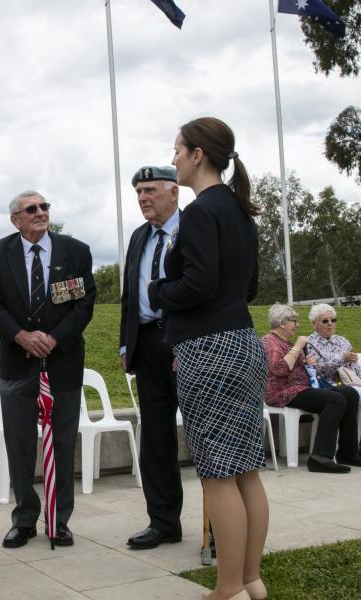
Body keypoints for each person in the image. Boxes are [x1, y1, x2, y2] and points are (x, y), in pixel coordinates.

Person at [149, 117, 268, 600]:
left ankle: (227, 588)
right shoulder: (240, 211)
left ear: (198, 155)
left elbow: (197, 284)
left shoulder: (200, 212)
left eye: (177, 150)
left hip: (210, 348)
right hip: (242, 341)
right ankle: (252, 580)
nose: (173, 158)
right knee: (245, 471)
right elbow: (250, 287)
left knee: (218, 474)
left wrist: (159, 290)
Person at [0, 190, 96, 549]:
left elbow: (84, 303)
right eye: (31, 209)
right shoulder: (2, 251)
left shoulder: (75, 251)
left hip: (62, 364)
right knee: (19, 445)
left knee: (62, 444)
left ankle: (59, 521)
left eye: (45, 206)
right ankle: (25, 519)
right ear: (15, 219)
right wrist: (21, 336)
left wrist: (53, 338)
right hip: (18, 366)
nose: (41, 213)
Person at [120, 165, 183, 550]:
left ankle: (220, 525)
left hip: (185, 344)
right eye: (139, 191)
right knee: (156, 439)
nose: (143, 197)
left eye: (150, 190)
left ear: (174, 193)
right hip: (146, 345)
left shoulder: (194, 231)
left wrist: (183, 341)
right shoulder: (138, 237)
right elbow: (131, 294)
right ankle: (163, 521)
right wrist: (128, 345)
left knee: (202, 433)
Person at [262, 303, 361, 474]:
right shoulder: (269, 342)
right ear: (282, 323)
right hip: (282, 392)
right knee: (335, 399)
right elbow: (279, 370)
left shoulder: (285, 342)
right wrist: (297, 348)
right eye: (294, 321)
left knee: (350, 393)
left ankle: (347, 453)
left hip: (300, 388)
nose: (297, 325)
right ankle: (320, 457)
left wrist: (307, 363)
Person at [306, 303, 361, 457]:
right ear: (314, 324)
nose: (330, 323)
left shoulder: (342, 341)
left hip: (350, 384)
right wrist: (341, 358)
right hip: (327, 387)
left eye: (333, 320)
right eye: (325, 321)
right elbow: (318, 370)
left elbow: (355, 367)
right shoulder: (309, 343)